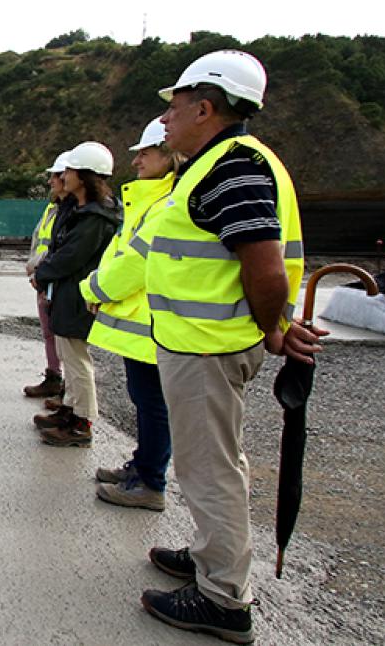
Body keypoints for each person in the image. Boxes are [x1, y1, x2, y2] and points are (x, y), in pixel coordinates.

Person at [138, 50, 323, 644]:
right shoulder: (223, 163)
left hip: (209, 348)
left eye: (174, 108)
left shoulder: (232, 169)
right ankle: (211, 554)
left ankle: (222, 598)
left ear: (206, 107)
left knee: (208, 468)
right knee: (217, 462)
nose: (165, 121)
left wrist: (273, 327)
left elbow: (264, 267)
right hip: (204, 343)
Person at [79, 119, 180, 512]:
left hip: (154, 322)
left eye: (145, 152)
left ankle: (150, 482)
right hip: (144, 322)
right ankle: (141, 467)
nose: (136, 160)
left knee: (154, 403)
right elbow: (120, 252)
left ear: (168, 155)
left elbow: (136, 261)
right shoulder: (150, 199)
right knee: (144, 399)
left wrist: (95, 289)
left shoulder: (166, 202)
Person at [32, 141, 121, 447]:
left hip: (77, 295)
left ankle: (81, 423)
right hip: (67, 292)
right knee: (70, 357)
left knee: (77, 359)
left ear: (84, 176)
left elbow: (71, 255)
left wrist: (43, 273)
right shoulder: (80, 211)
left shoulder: (95, 218)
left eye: (69, 170)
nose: (63, 176)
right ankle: (70, 410)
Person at [22, 152, 72, 399]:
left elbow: (59, 248)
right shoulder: (53, 208)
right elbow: (40, 241)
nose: (51, 181)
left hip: (53, 278)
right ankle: (54, 377)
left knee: (63, 337)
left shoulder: (71, 212)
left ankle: (66, 390)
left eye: (55, 176)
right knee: (49, 333)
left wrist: (39, 269)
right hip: (44, 278)